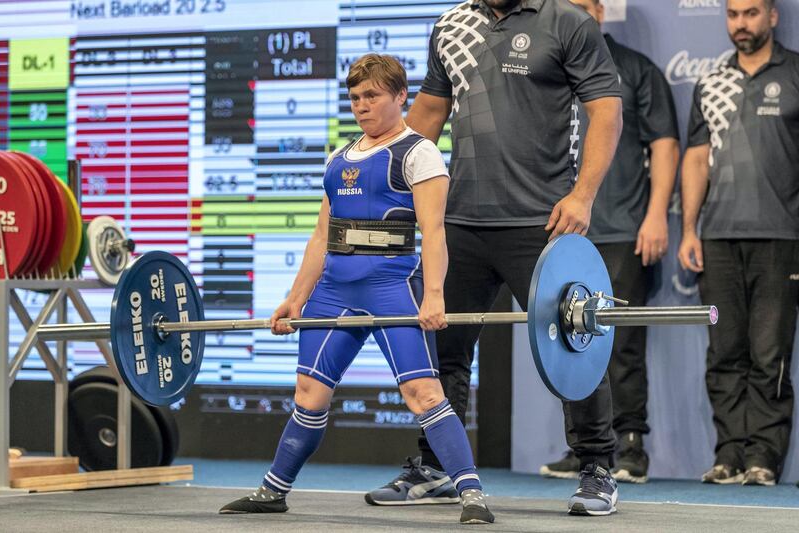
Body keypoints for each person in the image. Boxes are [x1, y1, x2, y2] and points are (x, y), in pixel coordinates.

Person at [365, 0, 624, 516]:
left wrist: (583, 195)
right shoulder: (451, 25)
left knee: (574, 345)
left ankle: (597, 468)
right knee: (443, 347)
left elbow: (605, 111)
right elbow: (430, 114)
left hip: (541, 219)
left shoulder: (567, 22)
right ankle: (438, 466)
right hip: (461, 220)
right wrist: (385, 185)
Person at [218, 53, 495, 524]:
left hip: (392, 286)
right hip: (335, 290)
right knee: (308, 391)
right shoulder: (338, 157)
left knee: (423, 394)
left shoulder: (418, 152)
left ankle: (471, 495)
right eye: (355, 97)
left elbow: (435, 231)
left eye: (372, 95)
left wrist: (434, 296)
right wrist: (296, 298)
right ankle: (273, 491)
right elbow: (321, 236)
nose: (362, 106)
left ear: (400, 96)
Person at [541, 0, 680, 484]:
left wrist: (657, 214)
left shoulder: (637, 69)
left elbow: (664, 143)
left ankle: (632, 447)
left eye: (584, 6)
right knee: (568, 344)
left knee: (621, 344)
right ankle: (585, 449)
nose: (578, 14)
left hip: (623, 229)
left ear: (601, 10)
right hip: (564, 230)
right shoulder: (548, 66)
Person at [679, 0, 799, 486]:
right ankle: (728, 455)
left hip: (782, 238)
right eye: (732, 14)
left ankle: (764, 459)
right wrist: (689, 227)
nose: (741, 24)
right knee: (724, 352)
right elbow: (695, 157)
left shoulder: (794, 73)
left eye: (751, 13)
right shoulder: (712, 80)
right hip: (718, 239)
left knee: (768, 354)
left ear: (772, 16)